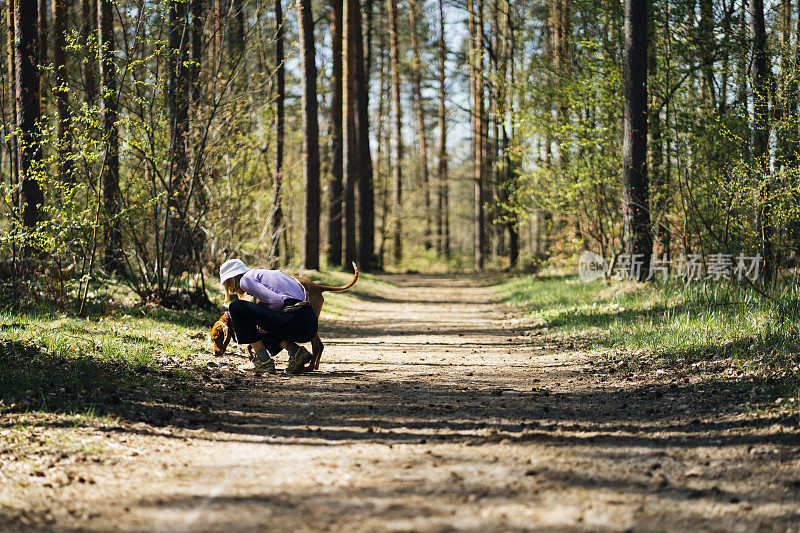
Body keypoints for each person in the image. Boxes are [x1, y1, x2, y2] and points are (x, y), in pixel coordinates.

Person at [219, 259, 316, 374]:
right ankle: (296, 352)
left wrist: (265, 324)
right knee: (257, 320)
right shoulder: (266, 274)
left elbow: (277, 302)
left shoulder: (246, 279)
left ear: (233, 278)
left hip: (295, 320)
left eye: (228, 285)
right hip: (310, 325)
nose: (231, 290)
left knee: (236, 307)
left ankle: (263, 361)